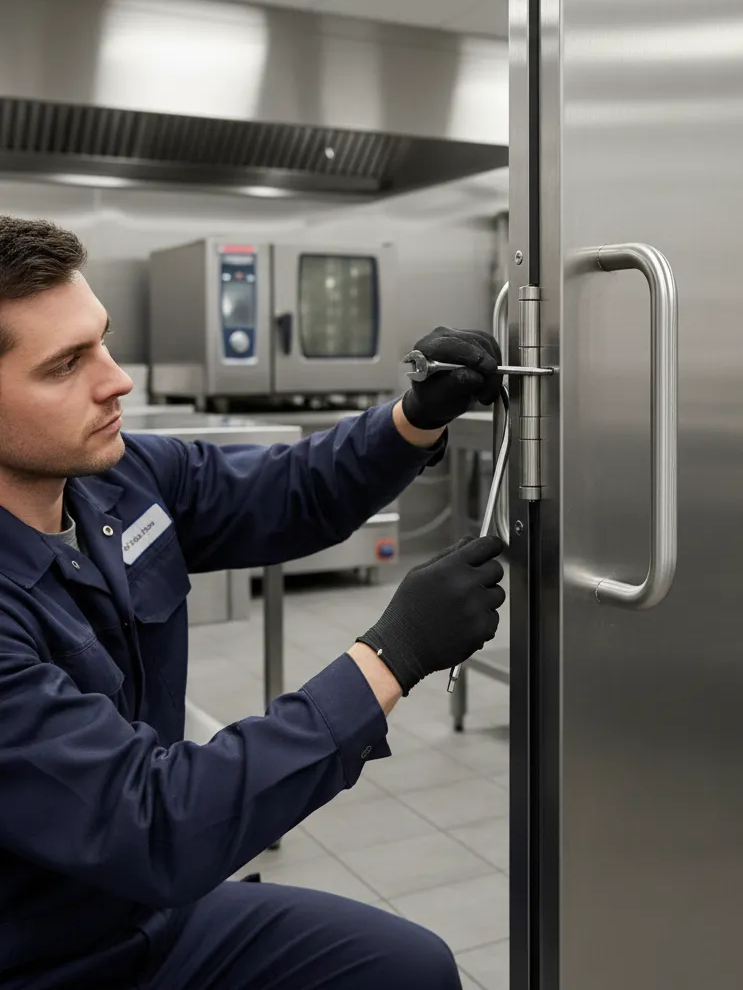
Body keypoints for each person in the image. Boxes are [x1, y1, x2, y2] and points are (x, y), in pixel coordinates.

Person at [0, 215, 507, 990]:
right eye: (66, 365)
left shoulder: (115, 478)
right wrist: (391, 656)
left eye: (102, 340)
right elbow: (157, 821)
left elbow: (287, 489)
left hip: (153, 918)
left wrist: (414, 419)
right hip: (46, 959)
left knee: (411, 970)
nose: (116, 379)